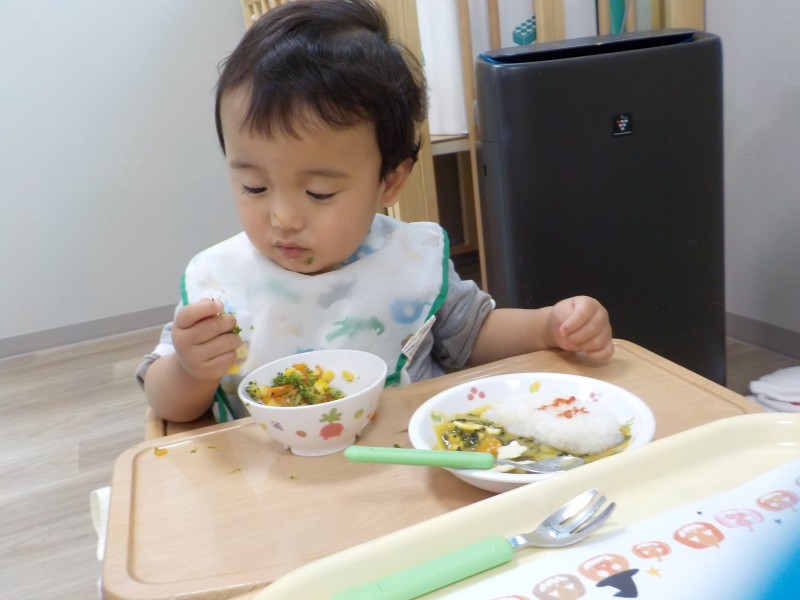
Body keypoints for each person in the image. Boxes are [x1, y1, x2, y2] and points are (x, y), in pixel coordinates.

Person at [137, 0, 613, 424]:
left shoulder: (408, 260)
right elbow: (168, 407)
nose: (283, 217)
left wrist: (546, 326)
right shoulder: (221, 285)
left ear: (389, 181)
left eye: (319, 192)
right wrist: (189, 370)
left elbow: (474, 335)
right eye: (254, 186)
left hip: (404, 468)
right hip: (268, 483)